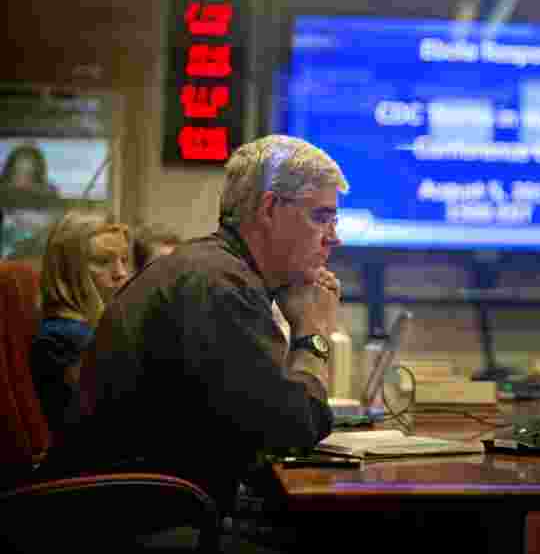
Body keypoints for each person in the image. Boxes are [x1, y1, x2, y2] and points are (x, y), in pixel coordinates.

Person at [67, 135, 348, 513]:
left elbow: (260, 425)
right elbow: (293, 430)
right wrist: (312, 332)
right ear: (269, 209)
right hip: (135, 520)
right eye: (321, 217)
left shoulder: (215, 270)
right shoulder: (218, 285)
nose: (334, 238)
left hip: (148, 504)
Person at [30, 209, 131, 446]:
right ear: (67, 269)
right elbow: (106, 421)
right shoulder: (68, 336)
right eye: (103, 261)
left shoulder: (86, 328)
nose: (121, 273)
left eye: (124, 260)